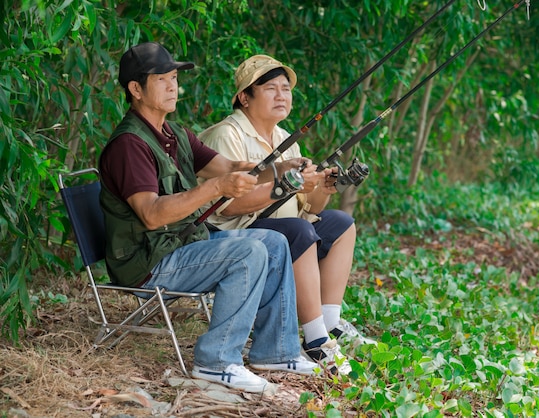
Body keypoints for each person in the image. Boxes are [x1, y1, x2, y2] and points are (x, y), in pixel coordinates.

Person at [98, 42, 318, 393]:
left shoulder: (175, 134)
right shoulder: (129, 146)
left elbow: (230, 166)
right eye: (162, 79)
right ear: (135, 89)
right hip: (149, 262)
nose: (173, 87)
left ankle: (276, 351)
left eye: (174, 78)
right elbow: (152, 215)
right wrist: (216, 188)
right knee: (248, 252)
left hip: (180, 246)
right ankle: (216, 361)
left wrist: (280, 168)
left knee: (274, 242)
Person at [197, 54, 374, 375]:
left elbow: (311, 209)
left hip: (284, 229)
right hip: (233, 237)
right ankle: (316, 340)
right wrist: (287, 183)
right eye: (270, 88)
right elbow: (228, 205)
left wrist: (325, 187)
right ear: (244, 97)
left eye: (286, 89)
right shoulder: (226, 135)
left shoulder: (284, 139)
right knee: (298, 232)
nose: (281, 96)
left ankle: (331, 323)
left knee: (341, 223)